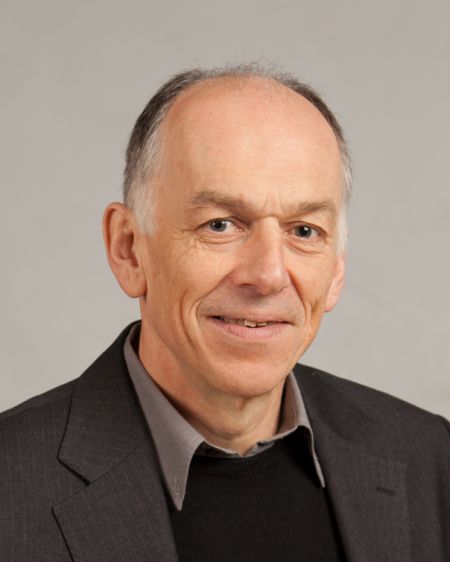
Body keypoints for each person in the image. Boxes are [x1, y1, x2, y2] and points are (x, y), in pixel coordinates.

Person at [1, 65, 449, 562]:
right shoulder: (9, 483)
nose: (268, 276)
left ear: (337, 270)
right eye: (220, 225)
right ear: (128, 250)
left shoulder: (430, 457)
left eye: (304, 231)